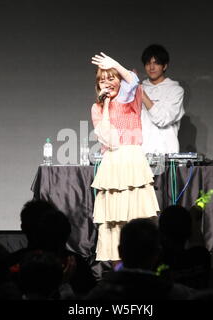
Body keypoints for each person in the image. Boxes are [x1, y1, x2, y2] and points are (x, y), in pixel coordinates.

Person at [90, 52, 160, 263]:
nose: (107, 83)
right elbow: (109, 140)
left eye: (111, 78)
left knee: (136, 217)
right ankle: (119, 272)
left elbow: (134, 81)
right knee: (113, 221)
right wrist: (106, 107)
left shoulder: (130, 98)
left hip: (132, 162)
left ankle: (142, 266)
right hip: (112, 163)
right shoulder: (98, 108)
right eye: (102, 80)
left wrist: (115, 65)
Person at [140, 44, 185, 154]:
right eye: (148, 63)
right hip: (141, 155)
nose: (151, 67)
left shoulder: (175, 91)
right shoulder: (138, 89)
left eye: (156, 63)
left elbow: (162, 119)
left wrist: (141, 94)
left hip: (167, 154)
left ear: (164, 66)